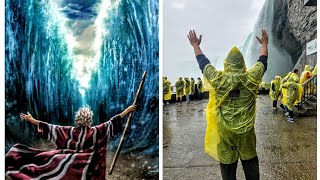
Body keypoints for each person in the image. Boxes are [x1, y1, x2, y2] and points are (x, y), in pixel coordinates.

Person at [188, 29, 268, 180]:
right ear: (242, 63)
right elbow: (262, 62)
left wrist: (195, 45)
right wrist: (264, 43)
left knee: (227, 167)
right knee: (250, 165)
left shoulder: (219, 79)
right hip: (246, 132)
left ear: (226, 63)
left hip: (225, 131)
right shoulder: (251, 78)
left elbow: (204, 65)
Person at [6, 105, 136, 179]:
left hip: (73, 165)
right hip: (89, 169)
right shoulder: (97, 131)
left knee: (48, 164)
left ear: (77, 119)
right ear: (90, 119)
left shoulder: (68, 131)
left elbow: (49, 127)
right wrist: (128, 110)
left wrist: (31, 120)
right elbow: (113, 121)